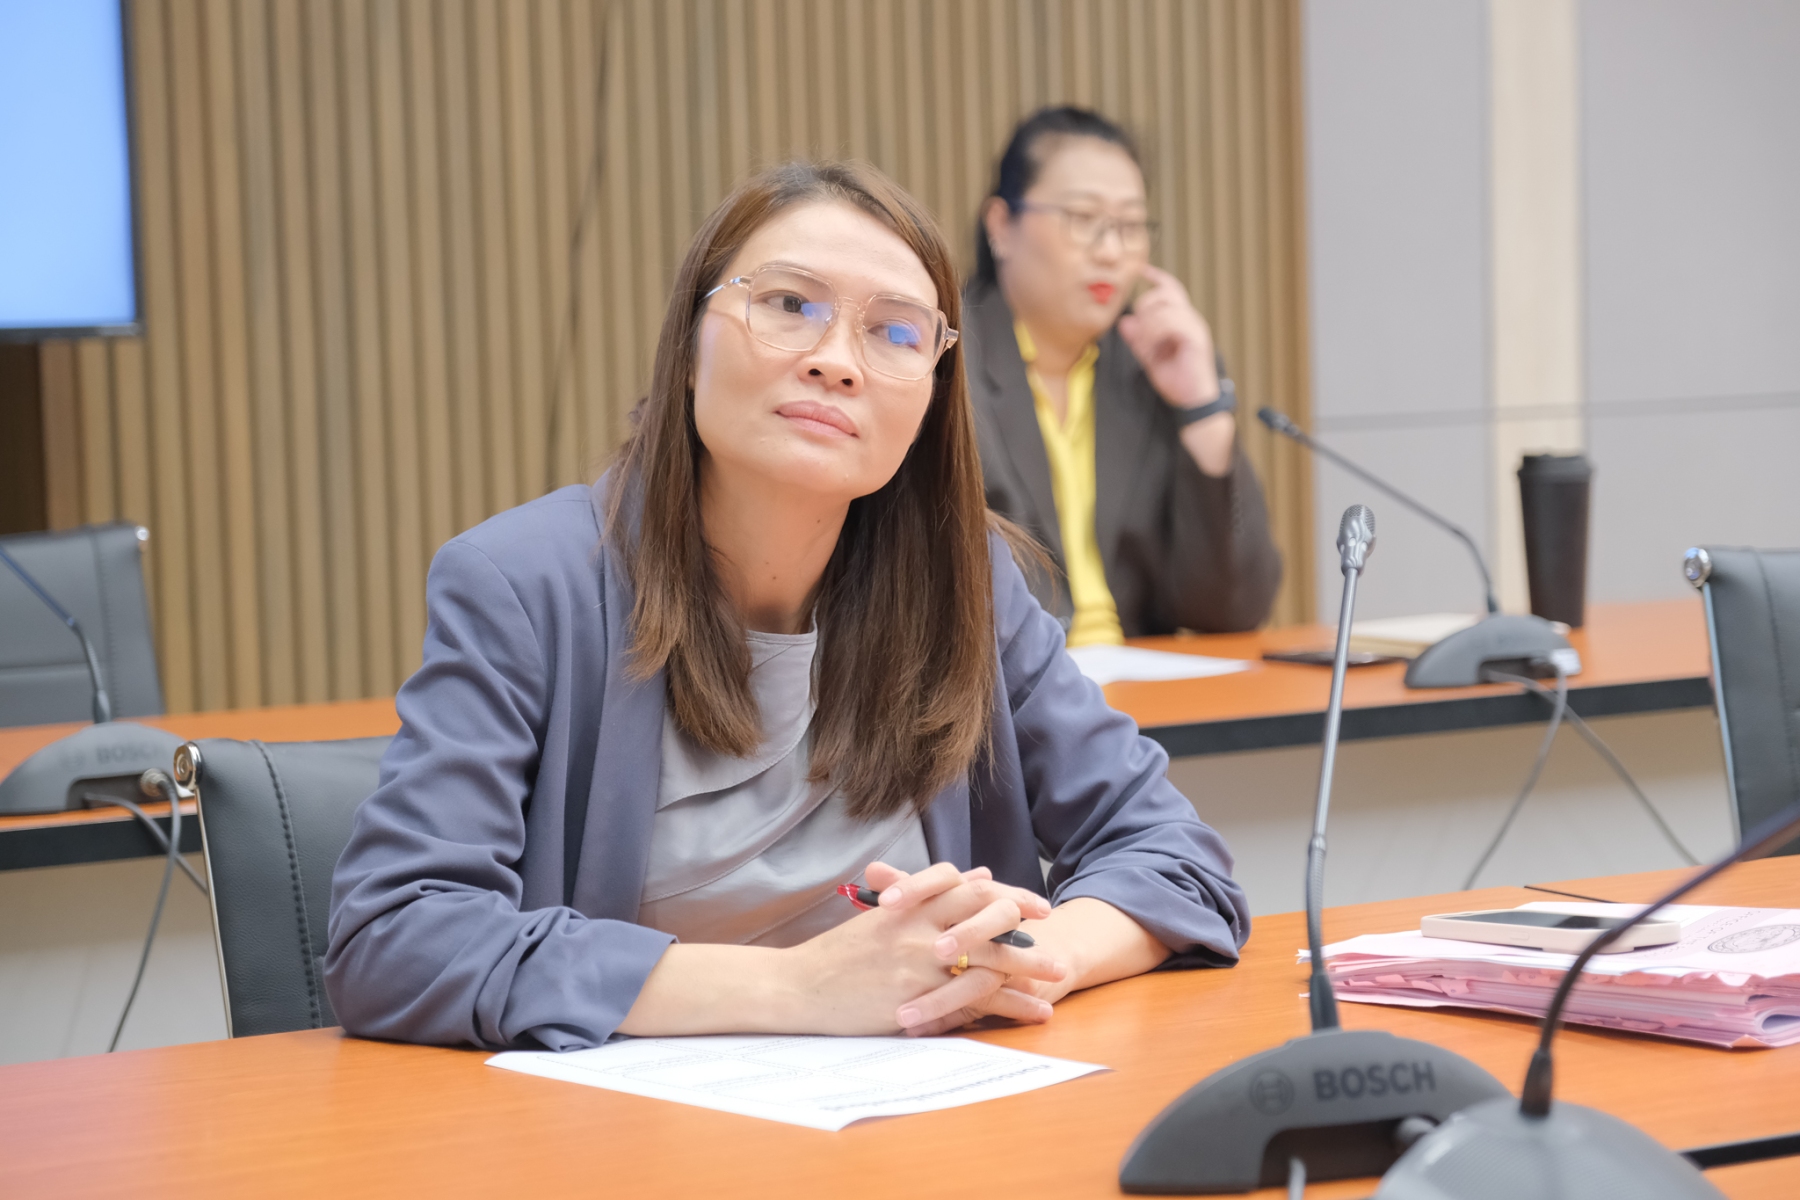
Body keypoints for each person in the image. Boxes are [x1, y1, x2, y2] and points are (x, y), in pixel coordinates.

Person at [325, 161, 1247, 1050]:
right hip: (631, 1125)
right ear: (690, 346)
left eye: (896, 333)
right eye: (789, 305)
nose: (837, 362)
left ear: (933, 397)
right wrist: (800, 989)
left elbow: (1175, 857)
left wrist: (1010, 959)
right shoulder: (526, 583)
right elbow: (395, 937)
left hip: (931, 1109)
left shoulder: (967, 580)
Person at [968, 107, 1282, 645]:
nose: (1112, 251)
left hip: (1139, 684)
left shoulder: (1152, 365)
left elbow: (1232, 608)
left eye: (1131, 226)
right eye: (1083, 217)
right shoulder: (944, 362)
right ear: (1001, 225)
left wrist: (1202, 411)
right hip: (1011, 685)